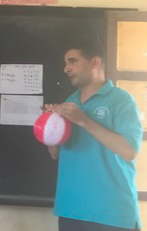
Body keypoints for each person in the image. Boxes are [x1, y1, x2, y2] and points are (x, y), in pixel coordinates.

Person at [43, 39, 142, 231]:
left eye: (72, 61)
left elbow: (129, 151)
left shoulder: (120, 99)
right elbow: (55, 154)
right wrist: (50, 127)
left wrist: (84, 120)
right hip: (70, 210)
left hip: (110, 213)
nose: (66, 69)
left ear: (95, 62)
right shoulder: (70, 102)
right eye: (66, 63)